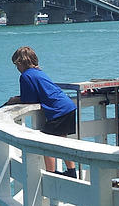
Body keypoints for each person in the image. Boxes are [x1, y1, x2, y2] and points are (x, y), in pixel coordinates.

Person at [5, 46, 78, 176]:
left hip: (58, 110)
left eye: (17, 65)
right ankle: (71, 171)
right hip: (68, 107)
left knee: (46, 141)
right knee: (63, 140)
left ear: (21, 63)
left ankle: (52, 173)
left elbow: (29, 99)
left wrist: (15, 99)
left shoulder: (26, 76)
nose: (17, 69)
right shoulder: (39, 72)